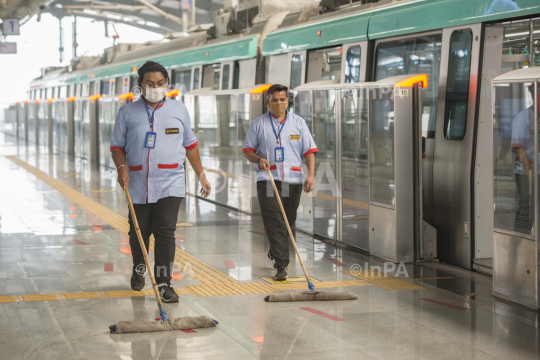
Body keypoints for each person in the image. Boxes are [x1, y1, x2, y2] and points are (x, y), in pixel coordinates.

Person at [110, 60, 211, 303]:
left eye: (160, 83)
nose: (156, 87)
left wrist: (201, 175)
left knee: (165, 233)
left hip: (170, 182)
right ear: (140, 85)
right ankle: (139, 267)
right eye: (150, 84)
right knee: (139, 233)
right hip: (136, 182)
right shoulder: (126, 113)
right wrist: (121, 168)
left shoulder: (179, 109)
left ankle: (165, 283)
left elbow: (191, 145)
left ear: (167, 84)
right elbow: (116, 147)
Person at [242, 84, 317, 281]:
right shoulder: (258, 124)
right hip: (268, 179)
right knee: (274, 221)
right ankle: (281, 264)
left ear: (287, 101)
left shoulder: (299, 123)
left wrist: (311, 175)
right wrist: (258, 159)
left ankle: (275, 251)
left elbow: (309, 151)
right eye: (274, 100)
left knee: (287, 221)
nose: (278, 103)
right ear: (268, 101)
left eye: (282, 99)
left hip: (293, 180)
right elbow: (247, 150)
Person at [511, 85, 536, 233]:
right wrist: (529, 169)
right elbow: (518, 148)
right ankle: (517, 243)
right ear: (532, 95)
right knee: (526, 208)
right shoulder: (523, 119)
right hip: (525, 173)